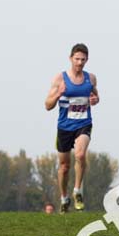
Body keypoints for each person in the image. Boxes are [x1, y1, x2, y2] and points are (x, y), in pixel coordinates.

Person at [45, 43, 100, 213]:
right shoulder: (60, 79)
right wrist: (58, 94)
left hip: (83, 123)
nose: (79, 63)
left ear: (87, 60)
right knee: (64, 166)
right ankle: (64, 198)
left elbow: (96, 96)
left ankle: (77, 191)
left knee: (81, 154)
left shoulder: (90, 78)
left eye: (83, 59)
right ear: (70, 59)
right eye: (77, 59)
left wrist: (95, 99)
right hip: (64, 127)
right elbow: (47, 105)